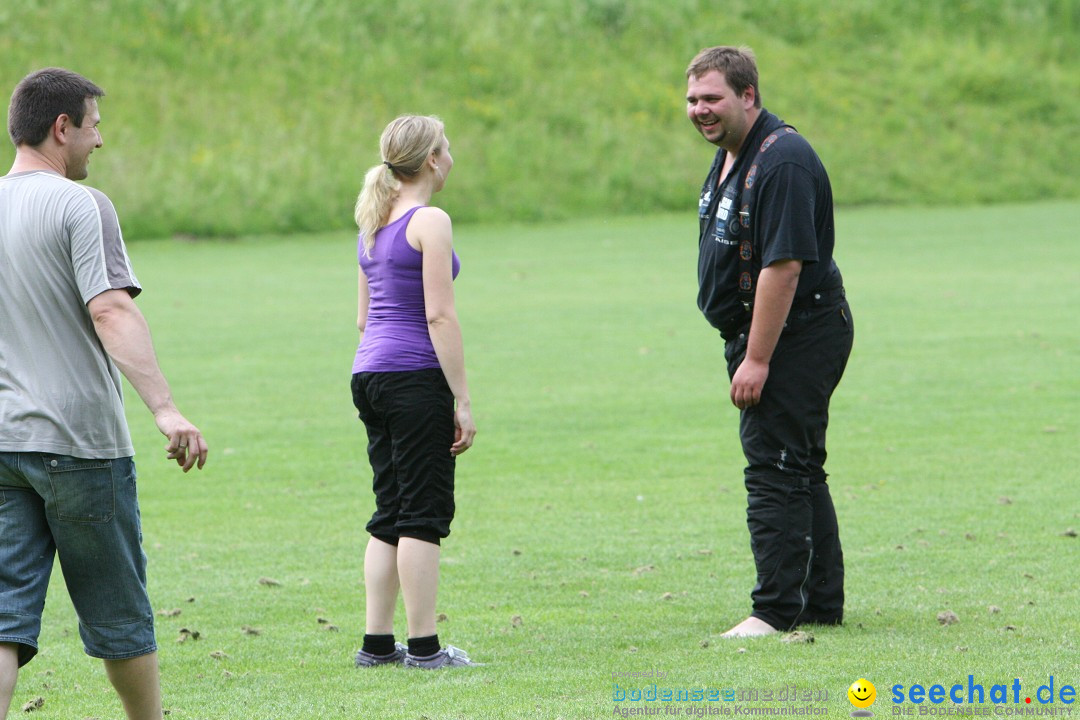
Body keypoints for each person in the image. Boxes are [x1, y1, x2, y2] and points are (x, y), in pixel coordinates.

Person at [0, 68, 208, 720]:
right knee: (120, 610)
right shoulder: (82, 206)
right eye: (94, 126)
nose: (100, 141)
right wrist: (166, 408)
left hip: (3, 444)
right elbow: (111, 310)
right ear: (61, 128)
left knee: (4, 617)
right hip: (81, 444)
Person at [685, 47, 854, 638]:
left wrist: (758, 358)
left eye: (713, 98)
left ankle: (774, 610)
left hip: (795, 333)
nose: (700, 110)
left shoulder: (781, 161)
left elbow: (782, 267)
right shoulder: (735, 153)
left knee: (775, 468)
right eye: (692, 99)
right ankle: (819, 601)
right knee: (799, 464)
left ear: (748, 95)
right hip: (772, 332)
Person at [350, 115, 478, 669]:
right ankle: (425, 649)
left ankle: (377, 645)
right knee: (421, 514)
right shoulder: (430, 220)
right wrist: (463, 400)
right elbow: (439, 316)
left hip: (370, 375)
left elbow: (362, 319)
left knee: (390, 510)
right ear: (431, 159)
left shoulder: (373, 219)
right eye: (446, 148)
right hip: (413, 377)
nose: (451, 156)